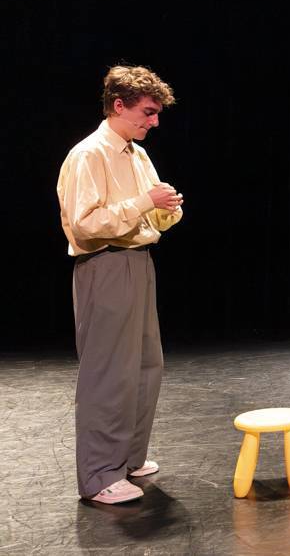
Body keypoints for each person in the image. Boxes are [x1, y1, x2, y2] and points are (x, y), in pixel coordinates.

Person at [56, 65, 184, 503]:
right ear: (118, 105)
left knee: (146, 367)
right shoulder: (88, 155)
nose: (155, 121)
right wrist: (144, 201)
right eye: (148, 112)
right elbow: (85, 223)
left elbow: (150, 213)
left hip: (138, 262)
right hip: (105, 264)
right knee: (108, 374)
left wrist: (165, 209)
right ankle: (99, 476)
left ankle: (127, 458)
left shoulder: (137, 154)